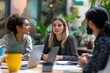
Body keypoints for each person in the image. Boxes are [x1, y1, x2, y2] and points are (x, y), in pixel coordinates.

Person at [78, 7, 110, 73]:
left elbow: (89, 69)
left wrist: (87, 62)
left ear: (90, 23)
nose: (85, 25)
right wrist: (92, 58)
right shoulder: (105, 37)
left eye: (85, 22)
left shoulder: (103, 40)